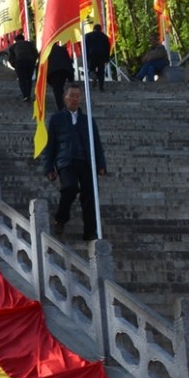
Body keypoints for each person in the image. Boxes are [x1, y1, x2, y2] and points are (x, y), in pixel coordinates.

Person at [42, 82, 107, 241]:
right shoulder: (57, 119)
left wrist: (101, 164)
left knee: (89, 196)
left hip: (86, 161)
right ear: (65, 98)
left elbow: (96, 143)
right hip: (66, 161)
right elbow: (50, 144)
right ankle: (61, 218)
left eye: (78, 96)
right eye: (73, 96)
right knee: (70, 188)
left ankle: (90, 232)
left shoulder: (88, 120)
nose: (76, 99)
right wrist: (48, 167)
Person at [8, 30, 38, 101]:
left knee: (22, 79)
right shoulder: (30, 44)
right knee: (29, 79)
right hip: (30, 62)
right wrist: (33, 61)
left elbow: (11, 59)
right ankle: (28, 94)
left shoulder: (13, 47)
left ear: (16, 40)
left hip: (19, 62)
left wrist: (15, 66)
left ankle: (25, 95)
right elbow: (36, 53)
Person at [47, 42, 74, 111]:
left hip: (53, 72)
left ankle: (60, 106)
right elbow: (69, 61)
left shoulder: (46, 51)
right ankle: (62, 103)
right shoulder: (62, 49)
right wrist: (71, 76)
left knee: (57, 89)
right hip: (63, 71)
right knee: (60, 87)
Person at [84, 24, 111, 91]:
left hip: (92, 55)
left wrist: (86, 57)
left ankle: (94, 76)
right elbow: (107, 48)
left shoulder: (88, 35)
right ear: (100, 29)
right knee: (101, 71)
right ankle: (101, 87)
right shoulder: (104, 37)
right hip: (102, 56)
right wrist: (107, 59)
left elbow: (86, 47)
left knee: (91, 69)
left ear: (93, 29)